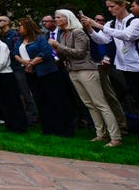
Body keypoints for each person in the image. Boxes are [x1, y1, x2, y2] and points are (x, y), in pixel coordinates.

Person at [82, 0, 139, 145]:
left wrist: (99, 26)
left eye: (112, 6)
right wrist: (89, 28)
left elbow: (127, 36)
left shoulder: (136, 22)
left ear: (122, 5)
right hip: (128, 68)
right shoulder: (112, 23)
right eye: (108, 7)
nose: (110, 9)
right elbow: (102, 39)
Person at [49, 9, 121, 147]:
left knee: (100, 103)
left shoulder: (78, 32)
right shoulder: (63, 34)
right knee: (89, 104)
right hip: (72, 70)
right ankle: (101, 134)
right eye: (55, 17)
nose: (55, 20)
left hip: (86, 70)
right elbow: (65, 53)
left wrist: (58, 46)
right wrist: (57, 54)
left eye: (58, 17)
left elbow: (80, 53)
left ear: (67, 18)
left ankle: (116, 137)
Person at [14, 17, 74, 137]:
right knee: (40, 100)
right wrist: (25, 63)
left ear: (27, 27)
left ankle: (61, 128)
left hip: (47, 73)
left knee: (53, 100)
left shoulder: (40, 38)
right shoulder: (20, 41)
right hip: (31, 74)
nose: (18, 29)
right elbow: (15, 53)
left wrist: (32, 63)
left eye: (20, 26)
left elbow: (46, 53)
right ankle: (47, 128)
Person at [0, 15, 38, 125]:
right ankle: (19, 117)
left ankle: (32, 118)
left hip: (17, 67)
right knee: (14, 94)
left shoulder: (15, 35)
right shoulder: (1, 36)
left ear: (7, 22)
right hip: (7, 68)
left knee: (25, 93)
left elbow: (15, 50)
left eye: (0, 20)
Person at [0, 26, 27, 133]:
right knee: (2, 101)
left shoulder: (3, 46)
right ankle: (9, 124)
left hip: (6, 75)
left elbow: (3, 61)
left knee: (12, 100)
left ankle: (20, 125)